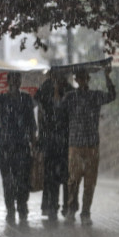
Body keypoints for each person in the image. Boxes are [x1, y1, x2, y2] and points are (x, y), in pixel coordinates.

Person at [58, 66, 116, 225]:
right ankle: (71, 208)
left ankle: (85, 212)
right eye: (79, 78)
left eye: (84, 78)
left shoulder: (95, 96)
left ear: (87, 79)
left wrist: (107, 77)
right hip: (75, 144)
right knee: (73, 180)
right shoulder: (70, 97)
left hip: (91, 145)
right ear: (76, 80)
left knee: (90, 182)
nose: (82, 81)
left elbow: (112, 95)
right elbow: (58, 111)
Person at [0, 72, 37, 224]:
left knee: (22, 179)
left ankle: (22, 207)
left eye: (17, 80)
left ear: (20, 82)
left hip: (22, 146)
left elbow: (31, 124)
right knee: (8, 180)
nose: (14, 83)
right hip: (5, 147)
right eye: (12, 80)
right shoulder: (2, 99)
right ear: (7, 82)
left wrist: (34, 143)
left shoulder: (26, 100)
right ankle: (10, 209)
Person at [34, 71, 74, 221]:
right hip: (50, 139)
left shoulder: (69, 90)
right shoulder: (45, 88)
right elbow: (39, 107)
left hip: (64, 139)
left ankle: (65, 206)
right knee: (51, 176)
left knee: (65, 176)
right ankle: (52, 206)